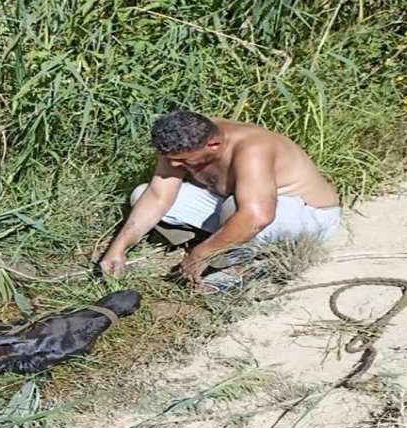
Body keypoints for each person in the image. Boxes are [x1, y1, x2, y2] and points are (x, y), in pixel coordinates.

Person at [98, 110, 341, 292]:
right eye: (168, 159)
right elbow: (158, 196)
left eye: (183, 161)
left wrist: (200, 255)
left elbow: (258, 216)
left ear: (214, 145)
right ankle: (223, 243)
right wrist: (117, 249)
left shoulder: (252, 148)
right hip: (240, 205)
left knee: (237, 209)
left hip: (307, 216)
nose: (174, 166)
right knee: (141, 193)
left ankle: (237, 265)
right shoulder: (185, 142)